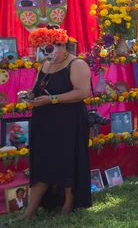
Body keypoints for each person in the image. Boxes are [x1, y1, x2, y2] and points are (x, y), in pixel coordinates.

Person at [18, 25, 91, 221]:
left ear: (61, 44)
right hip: (44, 121)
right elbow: (37, 89)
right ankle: (30, 210)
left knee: (67, 159)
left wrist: (53, 99)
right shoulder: (44, 65)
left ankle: (69, 202)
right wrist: (29, 95)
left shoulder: (77, 64)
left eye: (49, 49)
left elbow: (83, 92)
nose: (45, 53)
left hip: (69, 121)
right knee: (41, 161)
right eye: (41, 49)